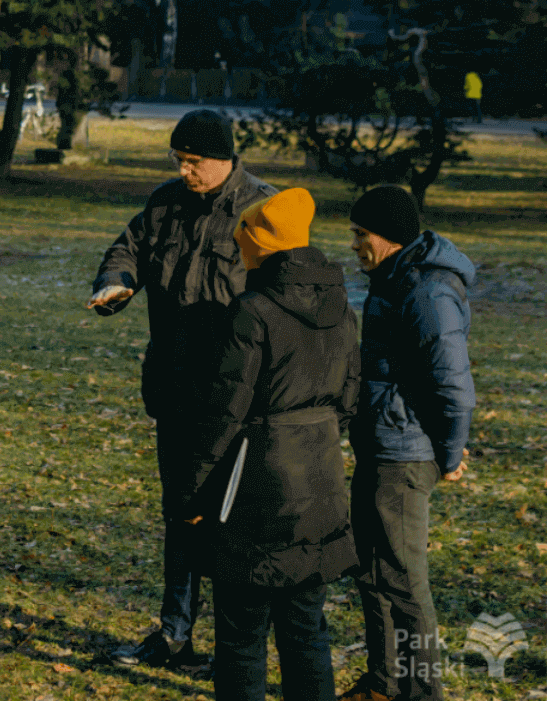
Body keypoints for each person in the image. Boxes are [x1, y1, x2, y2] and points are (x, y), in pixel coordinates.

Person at [88, 109, 275, 670]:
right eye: (180, 161)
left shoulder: (262, 208)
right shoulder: (164, 202)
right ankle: (175, 635)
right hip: (174, 389)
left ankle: (237, 646)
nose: (186, 170)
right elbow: (128, 249)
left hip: (237, 399)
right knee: (182, 515)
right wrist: (115, 282)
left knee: (234, 523)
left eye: (194, 162)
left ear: (224, 159)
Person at [175, 187, 360, 701]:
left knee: (240, 634)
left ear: (261, 245)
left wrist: (192, 496)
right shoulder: (342, 307)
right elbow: (349, 396)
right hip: (321, 480)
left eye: (244, 241)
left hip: (256, 489)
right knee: (307, 629)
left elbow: (224, 413)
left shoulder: (252, 311)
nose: (238, 250)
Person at [341, 186, 475, 701]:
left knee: (405, 581)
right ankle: (384, 681)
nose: (354, 244)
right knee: (372, 572)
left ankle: (422, 692)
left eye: (360, 234)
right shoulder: (392, 279)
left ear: (389, 237)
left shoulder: (427, 292)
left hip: (405, 454)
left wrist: (449, 452)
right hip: (379, 445)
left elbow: (454, 385)